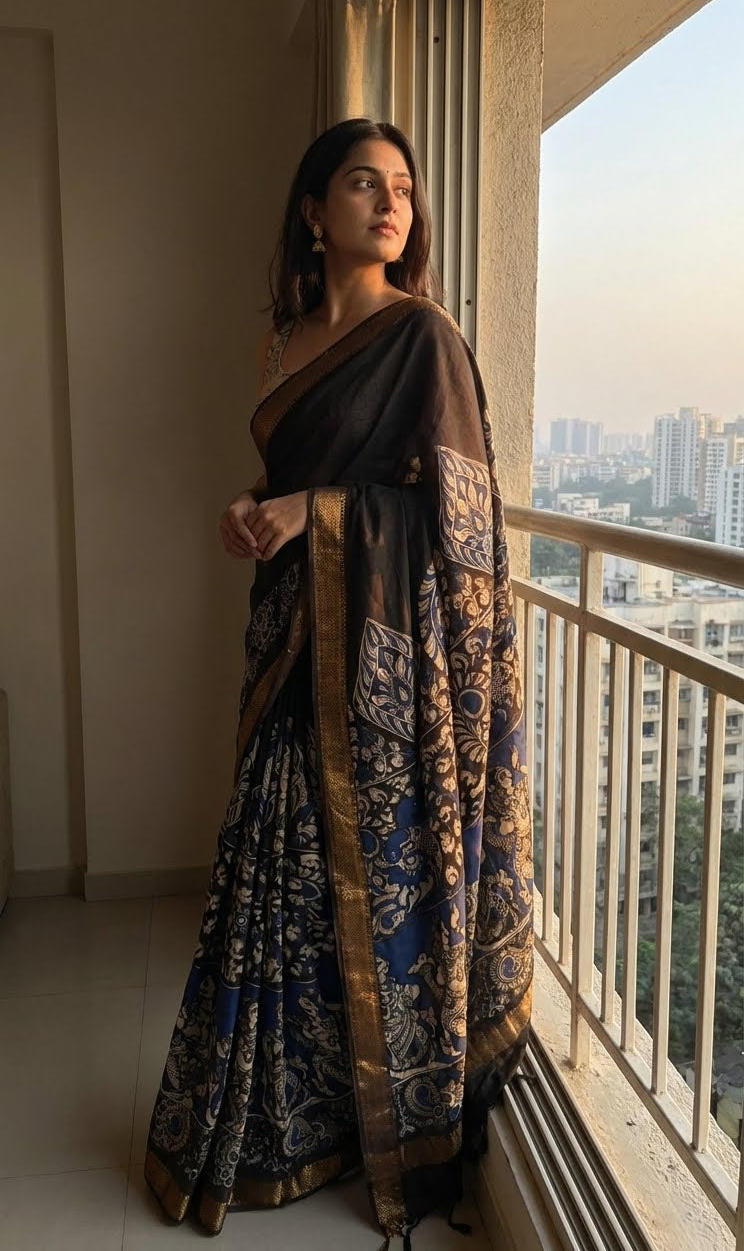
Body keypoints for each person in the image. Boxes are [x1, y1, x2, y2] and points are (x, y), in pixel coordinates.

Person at [143, 117, 533, 1248]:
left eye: (404, 187)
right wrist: (249, 504)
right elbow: (295, 477)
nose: (391, 201)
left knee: (364, 886)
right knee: (271, 880)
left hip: (379, 671)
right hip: (292, 645)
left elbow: (464, 524)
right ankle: (274, 1122)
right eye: (364, 183)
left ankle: (392, 1132)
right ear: (315, 212)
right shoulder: (290, 341)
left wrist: (307, 514)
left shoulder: (423, 339)